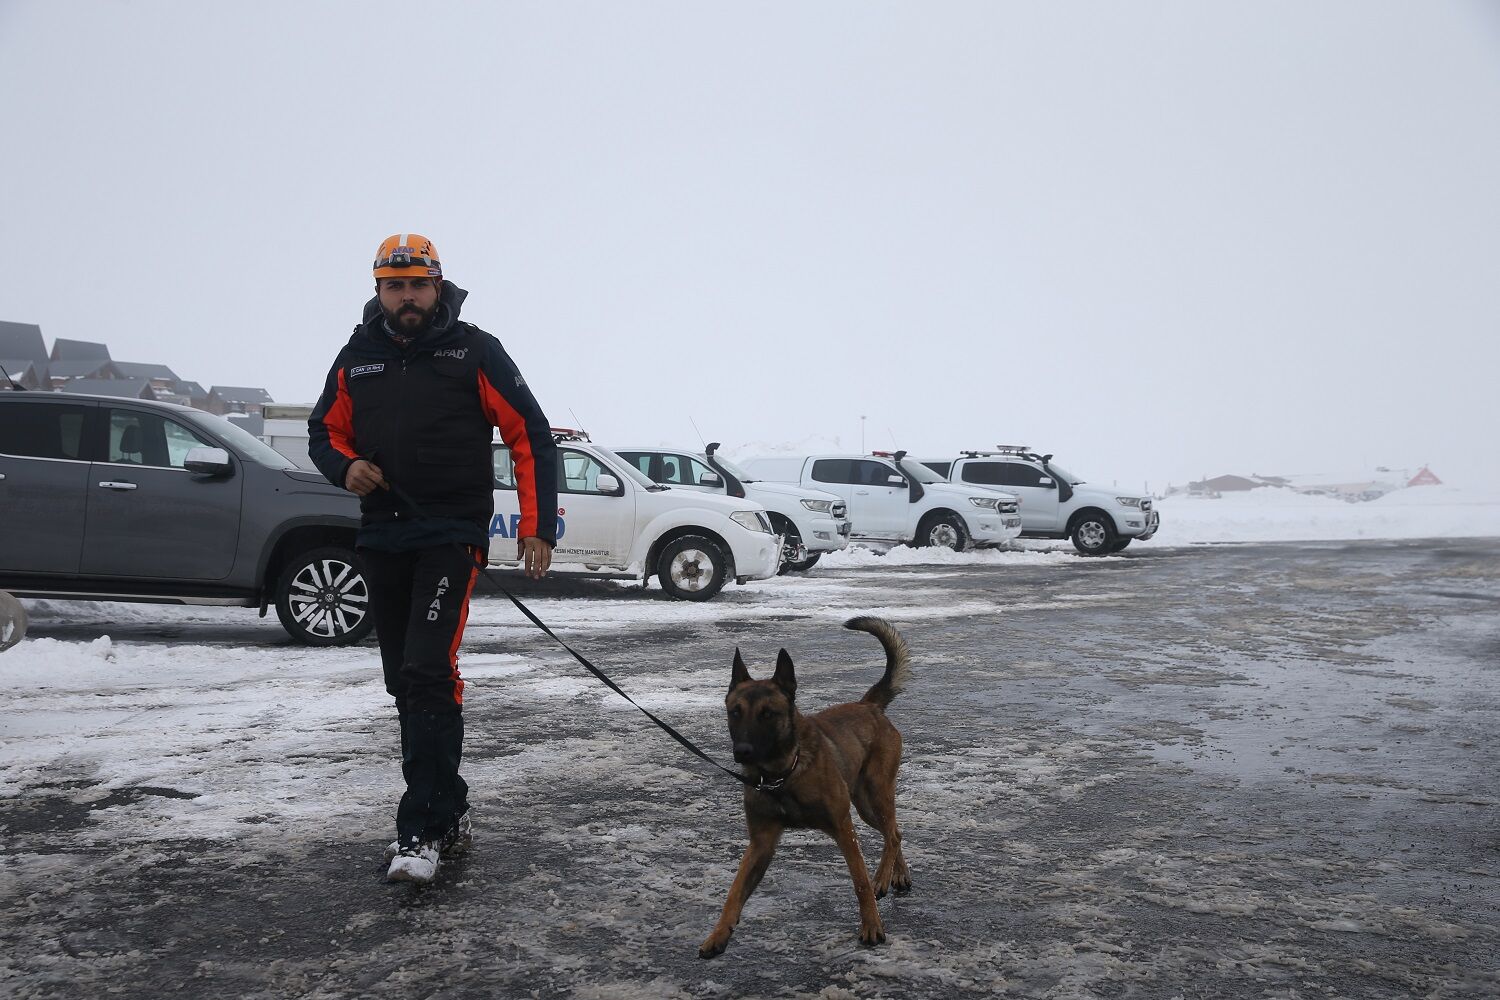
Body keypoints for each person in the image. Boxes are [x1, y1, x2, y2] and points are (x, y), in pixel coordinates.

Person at [308, 233, 558, 884]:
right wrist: (347, 466)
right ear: (379, 290)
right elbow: (322, 432)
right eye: (395, 286)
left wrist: (537, 525)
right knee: (406, 682)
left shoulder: (473, 349)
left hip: (450, 532)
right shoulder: (355, 356)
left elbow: (529, 433)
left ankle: (418, 834)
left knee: (426, 667)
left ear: (438, 285)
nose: (408, 297)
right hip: (383, 533)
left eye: (418, 285)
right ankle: (448, 810)